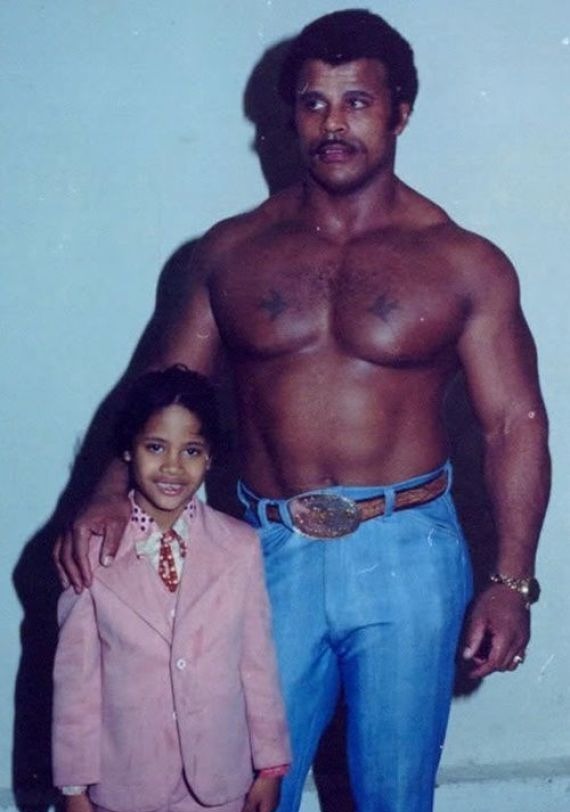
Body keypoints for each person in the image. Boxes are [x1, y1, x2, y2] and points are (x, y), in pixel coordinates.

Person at [54, 9, 550, 812]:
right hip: (266, 550)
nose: (334, 124)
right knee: (243, 789)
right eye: (315, 103)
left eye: (357, 101)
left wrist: (513, 580)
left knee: (393, 798)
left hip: (409, 554)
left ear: (401, 113)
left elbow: (514, 424)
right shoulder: (232, 253)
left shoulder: (464, 263)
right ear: (289, 117)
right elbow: (162, 387)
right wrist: (108, 493)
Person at [52, 366, 290, 812]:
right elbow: (76, 686)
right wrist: (75, 789)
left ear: (211, 457)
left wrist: (270, 766)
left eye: (192, 450)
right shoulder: (89, 551)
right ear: (127, 450)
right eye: (156, 447)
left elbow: (258, 666)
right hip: (126, 787)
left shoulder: (240, 547)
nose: (173, 467)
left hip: (220, 783)